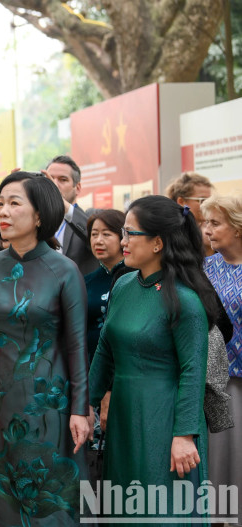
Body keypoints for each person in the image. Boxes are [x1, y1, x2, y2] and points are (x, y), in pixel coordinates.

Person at [0, 171, 92, 526]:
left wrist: (80, 409)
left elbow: (77, 345)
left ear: (39, 215)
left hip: (49, 403)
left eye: (14, 203)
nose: (2, 211)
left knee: (48, 501)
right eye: (0, 203)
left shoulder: (64, 270)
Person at [89, 195, 220, 521]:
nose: (123, 242)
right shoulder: (123, 285)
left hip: (166, 419)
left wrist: (184, 435)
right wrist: (82, 405)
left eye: (130, 234)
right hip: (123, 414)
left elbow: (193, 370)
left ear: (159, 243)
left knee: (164, 511)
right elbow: (105, 350)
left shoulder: (185, 300)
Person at [201, 194, 242, 525]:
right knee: (219, 460)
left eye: (215, 222)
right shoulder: (205, 268)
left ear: (238, 227)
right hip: (216, 380)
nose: (207, 229)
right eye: (205, 222)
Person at [83, 209, 132, 364]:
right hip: (93, 363)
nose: (98, 241)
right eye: (94, 234)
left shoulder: (136, 276)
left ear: (122, 237)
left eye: (106, 234)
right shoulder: (87, 281)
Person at [45, 155, 98, 275]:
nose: (54, 184)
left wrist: (63, 205)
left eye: (63, 180)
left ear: (77, 188)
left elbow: (92, 235)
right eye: (50, 179)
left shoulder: (88, 217)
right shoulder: (37, 220)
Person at [165, 172, 214, 256]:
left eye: (210, 200)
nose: (208, 205)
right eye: (202, 200)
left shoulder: (205, 231)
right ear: (181, 201)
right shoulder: (170, 233)